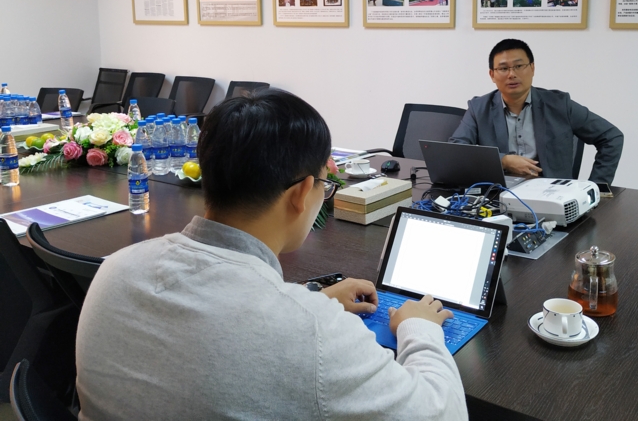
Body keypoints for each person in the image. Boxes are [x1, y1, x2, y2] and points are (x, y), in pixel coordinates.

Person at [76, 90, 467, 420]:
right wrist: (420, 329)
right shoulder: (313, 332)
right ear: (301, 193)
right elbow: (445, 412)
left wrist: (309, 297)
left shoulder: (116, 271)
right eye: (325, 186)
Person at [450, 39, 623, 184]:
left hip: (552, 194)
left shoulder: (560, 105)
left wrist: (597, 187)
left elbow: (611, 137)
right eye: (503, 68)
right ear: (492, 75)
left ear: (532, 68)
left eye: (519, 66)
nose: (511, 74)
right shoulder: (479, 108)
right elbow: (456, 150)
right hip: (498, 195)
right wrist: (503, 161)